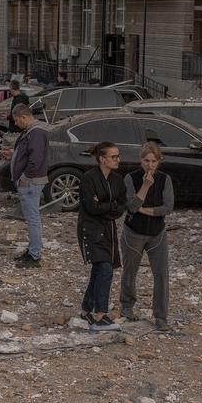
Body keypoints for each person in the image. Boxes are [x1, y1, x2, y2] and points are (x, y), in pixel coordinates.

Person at [120, 143, 174, 331]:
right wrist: (145, 185)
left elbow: (168, 207)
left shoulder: (165, 179)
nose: (150, 165)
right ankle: (126, 306)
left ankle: (160, 316)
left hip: (157, 233)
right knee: (130, 271)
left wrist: (145, 210)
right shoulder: (130, 178)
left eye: (154, 161)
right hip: (133, 232)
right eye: (146, 161)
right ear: (140, 160)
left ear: (159, 162)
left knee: (161, 274)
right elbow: (132, 206)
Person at [77, 142, 126, 332]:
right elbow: (91, 207)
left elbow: (121, 207)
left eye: (118, 156)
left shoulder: (118, 180)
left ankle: (86, 310)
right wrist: (109, 205)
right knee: (105, 268)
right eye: (113, 157)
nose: (117, 160)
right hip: (90, 230)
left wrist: (104, 205)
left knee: (99, 269)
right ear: (102, 159)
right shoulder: (89, 179)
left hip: (109, 229)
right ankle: (100, 315)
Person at [2, 103, 48, 268]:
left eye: (16, 120)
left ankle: (34, 255)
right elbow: (28, 154)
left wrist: (25, 177)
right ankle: (32, 250)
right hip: (30, 181)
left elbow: (35, 159)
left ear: (23, 117)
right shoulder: (31, 131)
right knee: (31, 218)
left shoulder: (36, 132)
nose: (16, 124)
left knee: (33, 219)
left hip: (30, 182)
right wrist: (13, 155)